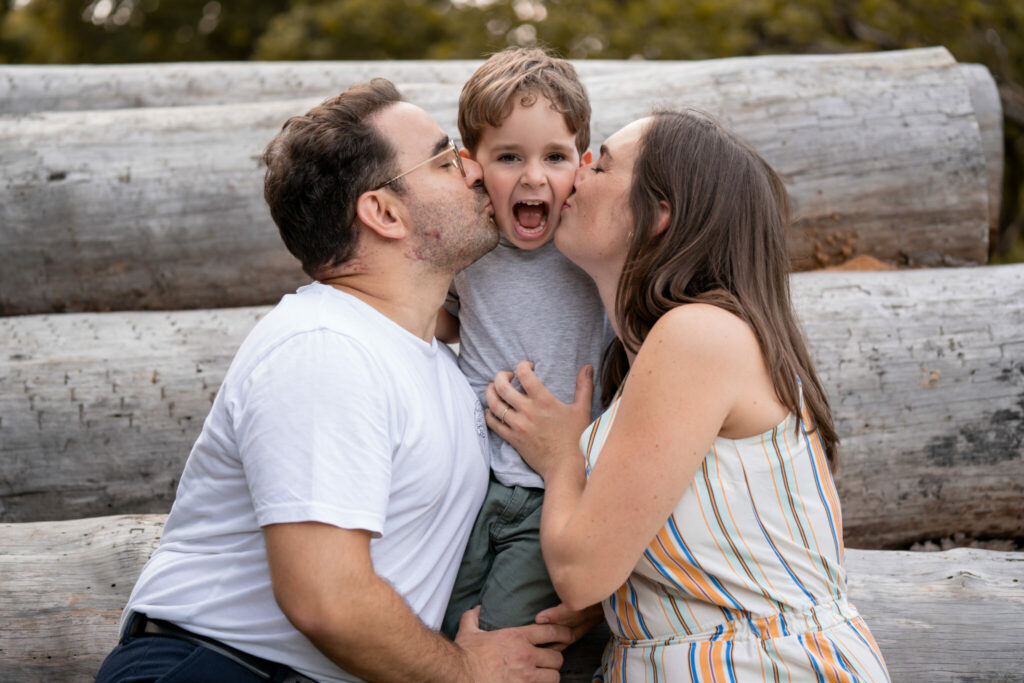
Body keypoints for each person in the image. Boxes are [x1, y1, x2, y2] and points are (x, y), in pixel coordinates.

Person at [94, 79, 578, 683]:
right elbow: (327, 599)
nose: (476, 169)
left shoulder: (440, 368)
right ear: (383, 212)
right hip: (221, 669)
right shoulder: (325, 349)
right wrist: (466, 673)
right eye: (446, 158)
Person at [485, 111, 891, 681]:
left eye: (599, 163)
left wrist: (560, 458)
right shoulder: (655, 352)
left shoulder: (697, 334)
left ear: (660, 215)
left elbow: (580, 569)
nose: (575, 172)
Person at [437, 47, 612, 639]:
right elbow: (446, 322)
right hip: (468, 481)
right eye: (510, 156)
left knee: (506, 629)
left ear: (582, 166)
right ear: (472, 166)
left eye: (555, 157)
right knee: (438, 620)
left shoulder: (591, 251)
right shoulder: (470, 252)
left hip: (556, 495)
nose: (534, 176)